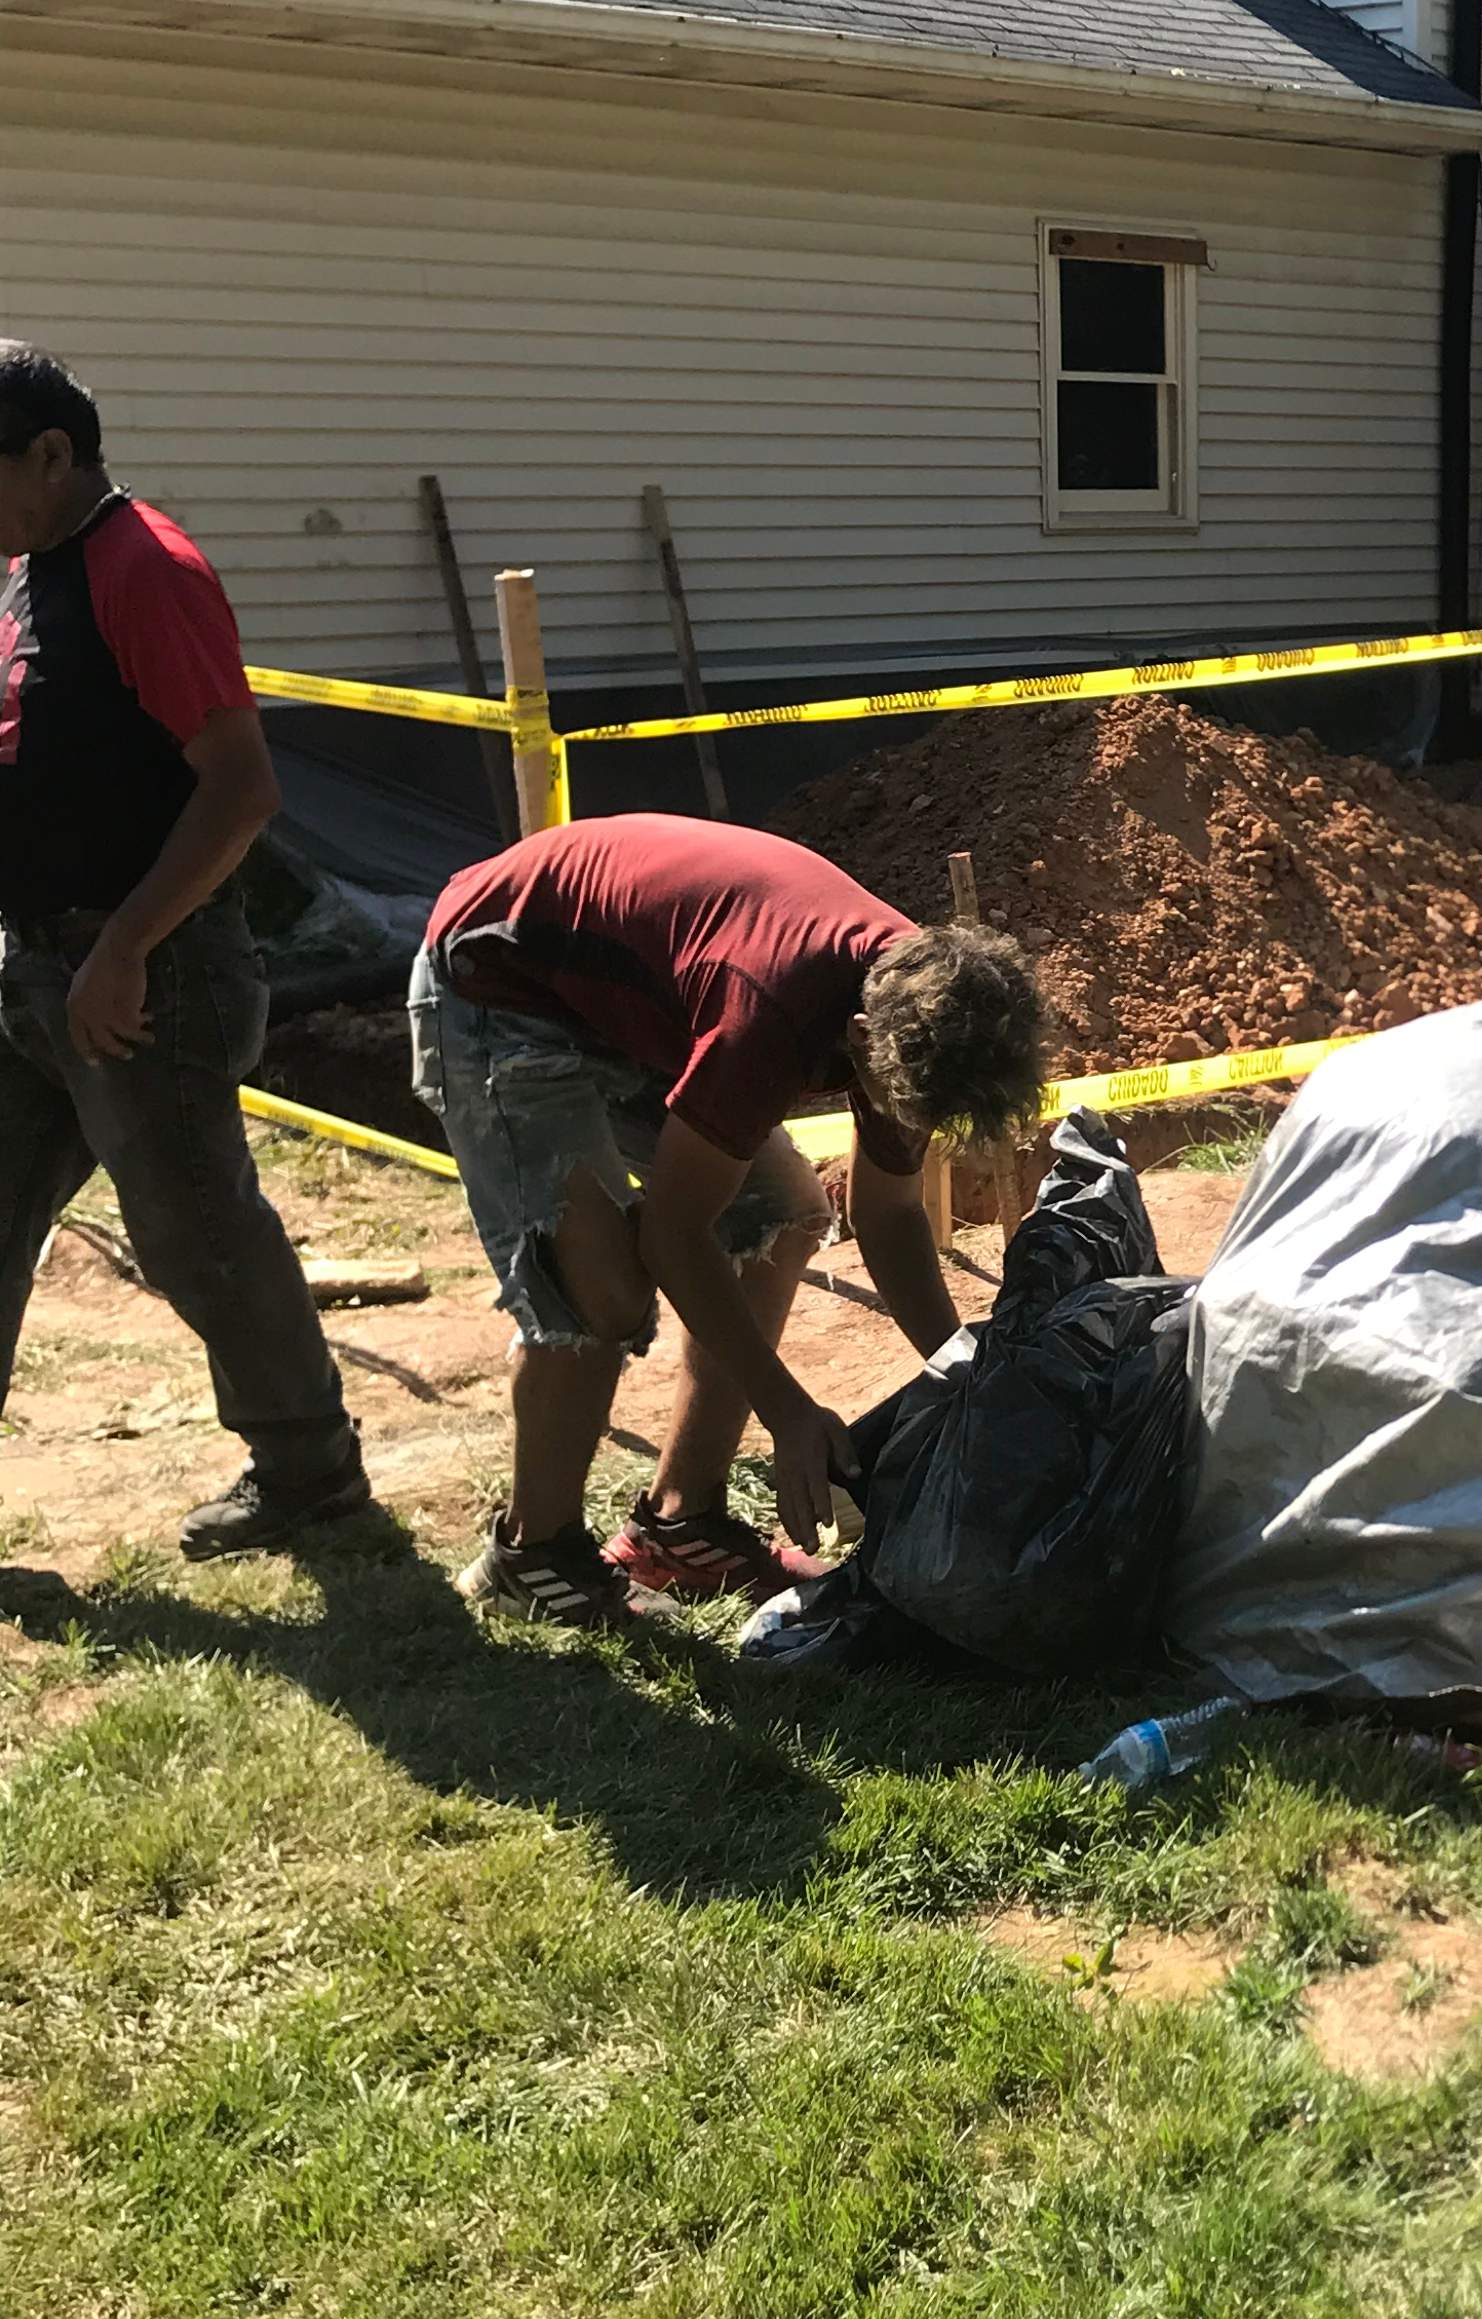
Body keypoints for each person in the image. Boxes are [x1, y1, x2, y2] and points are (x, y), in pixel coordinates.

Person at [411, 811, 1046, 1620]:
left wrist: (963, 1376)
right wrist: (787, 1411)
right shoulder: (774, 1015)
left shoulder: (925, 1005)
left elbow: (887, 1215)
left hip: (625, 989)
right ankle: (531, 1556)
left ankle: (681, 1527)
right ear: (858, 1041)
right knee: (599, 1290)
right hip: (500, 978)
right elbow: (672, 1238)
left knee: (780, 1213)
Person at [0, 344, 368, 1554]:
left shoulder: (143, 567)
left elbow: (240, 789)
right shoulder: (29, 570)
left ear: (53, 454)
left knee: (195, 1229)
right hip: (34, 969)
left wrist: (123, 948)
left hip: (143, 979)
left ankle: (310, 1475)